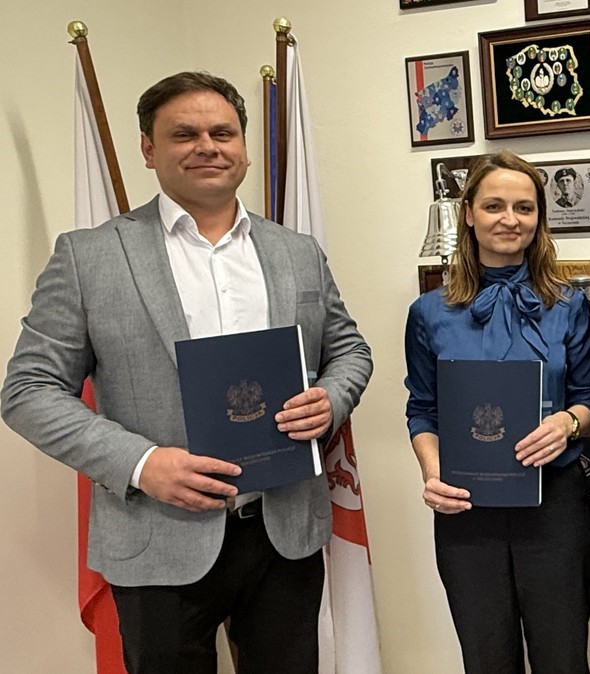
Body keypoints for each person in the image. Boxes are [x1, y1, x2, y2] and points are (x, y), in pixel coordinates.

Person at [1, 71, 372, 673]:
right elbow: (28, 390)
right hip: (157, 534)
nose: (207, 146)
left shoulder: (296, 251)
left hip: (283, 531)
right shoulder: (89, 256)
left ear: (244, 148)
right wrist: (142, 463)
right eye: (184, 134)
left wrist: (331, 397)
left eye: (222, 133)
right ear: (148, 149)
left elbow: (350, 350)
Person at [405, 150, 590, 674]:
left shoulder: (569, 305)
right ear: (468, 213)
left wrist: (568, 423)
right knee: (487, 658)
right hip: (468, 508)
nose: (510, 219)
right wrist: (432, 472)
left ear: (539, 218)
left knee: (564, 660)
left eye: (524, 207)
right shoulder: (428, 312)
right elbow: (423, 409)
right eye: (494, 206)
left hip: (555, 504)